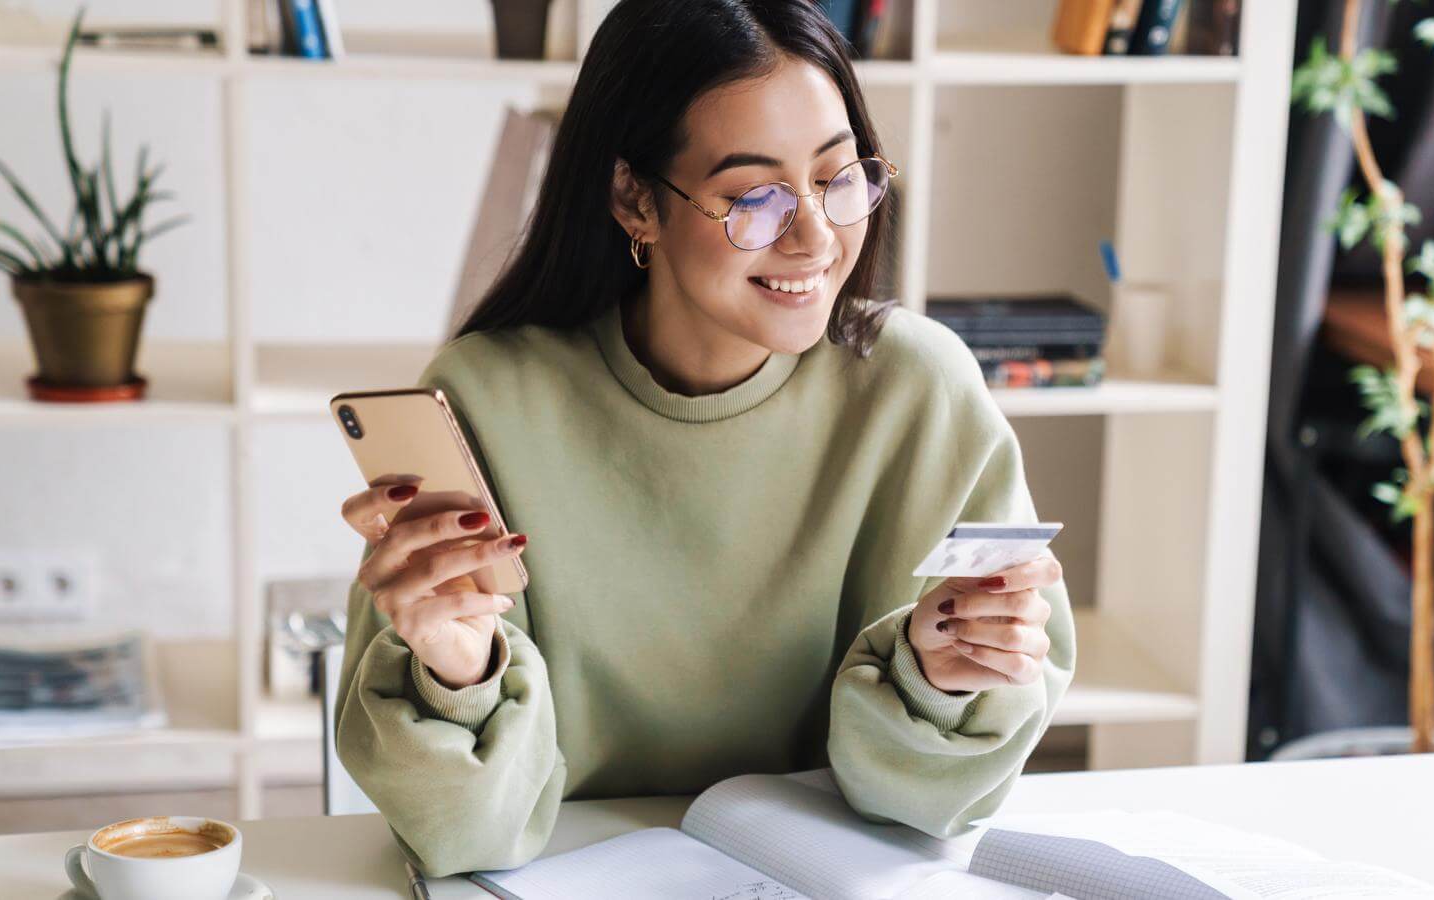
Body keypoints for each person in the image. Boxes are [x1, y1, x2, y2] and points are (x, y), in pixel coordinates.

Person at [332, 0, 1076, 878]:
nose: (814, 237)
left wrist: (944, 677)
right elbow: (467, 838)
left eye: (840, 179)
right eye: (753, 197)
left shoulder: (920, 392)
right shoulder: (486, 398)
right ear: (634, 198)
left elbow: (929, 811)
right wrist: (457, 674)